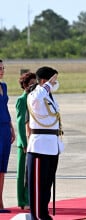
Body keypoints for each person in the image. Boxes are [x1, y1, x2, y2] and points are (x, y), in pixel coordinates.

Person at [26, 66, 63, 220]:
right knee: (37, 188)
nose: (55, 83)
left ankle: (44, 215)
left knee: (46, 187)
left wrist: (49, 85)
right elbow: (35, 99)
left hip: (52, 147)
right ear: (43, 81)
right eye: (53, 80)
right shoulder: (35, 95)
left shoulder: (48, 97)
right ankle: (38, 216)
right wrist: (47, 84)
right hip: (39, 147)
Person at [15, 72, 37, 210]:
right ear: (25, 85)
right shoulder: (21, 100)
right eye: (31, 83)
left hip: (33, 141)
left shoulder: (33, 99)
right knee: (21, 173)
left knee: (30, 173)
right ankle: (21, 200)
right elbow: (20, 122)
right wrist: (24, 142)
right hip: (24, 143)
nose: (34, 86)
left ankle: (29, 198)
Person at [0, 59, 16, 213]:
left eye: (3, 68)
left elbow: (5, 107)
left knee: (2, 167)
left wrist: (11, 126)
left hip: (5, 127)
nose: (2, 70)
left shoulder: (3, 86)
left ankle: (0, 201)